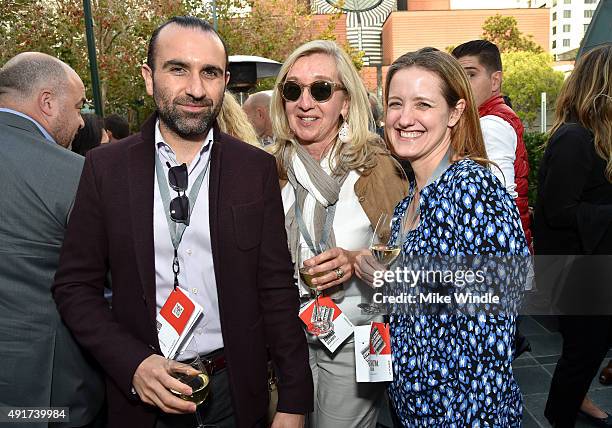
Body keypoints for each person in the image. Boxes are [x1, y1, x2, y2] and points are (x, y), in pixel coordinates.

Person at [52, 16, 312, 428]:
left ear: (224, 81)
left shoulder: (254, 169)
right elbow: (74, 287)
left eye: (209, 72)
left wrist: (294, 400)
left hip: (233, 391)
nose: (195, 88)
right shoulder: (106, 168)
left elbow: (276, 290)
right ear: (149, 77)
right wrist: (132, 364)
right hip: (142, 397)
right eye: (178, 69)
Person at [357, 48, 529, 426]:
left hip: (460, 412)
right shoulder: (408, 204)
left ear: (454, 112)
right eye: (395, 103)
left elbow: (496, 306)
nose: (404, 119)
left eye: (423, 105)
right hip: (412, 405)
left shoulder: (471, 186)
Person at [270, 39, 407, 427]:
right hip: (289, 336)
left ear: (346, 102)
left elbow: (407, 260)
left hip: (359, 335)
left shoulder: (376, 168)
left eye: (322, 89)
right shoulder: (270, 169)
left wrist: (358, 261)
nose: (305, 102)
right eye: (293, 90)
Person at [0, 52, 104, 427]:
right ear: (47, 102)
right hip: (48, 398)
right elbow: (103, 284)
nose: (80, 121)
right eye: (78, 107)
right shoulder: (74, 174)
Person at [533, 43, 612, 427]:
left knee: (590, 348)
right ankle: (560, 414)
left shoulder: (600, 135)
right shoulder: (574, 139)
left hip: (597, 263)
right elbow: (558, 212)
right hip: (580, 271)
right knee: (583, 352)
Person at [452, 40, 531, 249]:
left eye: (470, 75)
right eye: (457, 77)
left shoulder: (490, 125)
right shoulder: (487, 118)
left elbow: (500, 200)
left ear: (495, 81)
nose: (461, 85)